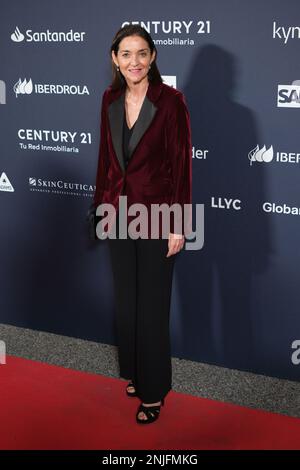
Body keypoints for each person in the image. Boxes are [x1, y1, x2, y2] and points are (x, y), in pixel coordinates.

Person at [93, 24, 192, 424]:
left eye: (142, 53)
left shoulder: (171, 102)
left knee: (152, 307)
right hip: (117, 214)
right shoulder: (109, 98)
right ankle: (135, 372)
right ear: (115, 59)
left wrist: (179, 225)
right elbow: (105, 159)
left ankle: (154, 392)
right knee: (128, 302)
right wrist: (101, 208)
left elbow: (181, 165)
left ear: (152, 57)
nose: (134, 62)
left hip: (157, 215)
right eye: (126, 54)